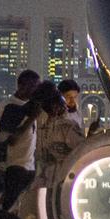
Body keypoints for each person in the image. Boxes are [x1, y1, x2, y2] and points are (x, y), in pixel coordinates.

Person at [29, 81, 85, 211]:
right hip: (64, 181)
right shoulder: (67, 127)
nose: (67, 105)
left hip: (42, 181)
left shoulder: (38, 126)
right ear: (56, 106)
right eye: (63, 102)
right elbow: (83, 149)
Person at [0, 70, 41, 211]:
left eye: (37, 87)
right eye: (32, 86)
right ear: (21, 85)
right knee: (9, 207)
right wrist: (31, 118)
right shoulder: (10, 106)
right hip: (13, 166)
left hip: (29, 166)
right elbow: (9, 139)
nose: (35, 91)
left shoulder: (32, 106)